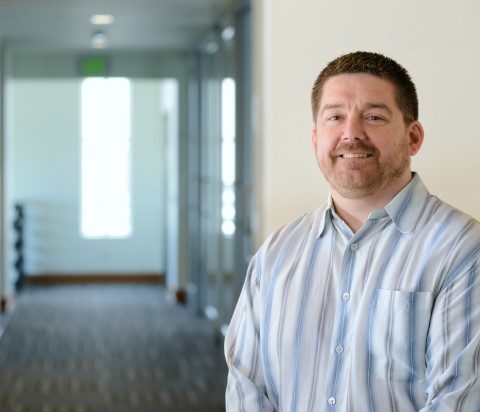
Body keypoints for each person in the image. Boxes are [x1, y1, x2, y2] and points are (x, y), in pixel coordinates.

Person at [224, 51, 480, 411]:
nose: (351, 133)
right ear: (316, 139)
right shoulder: (277, 252)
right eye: (335, 117)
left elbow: (460, 400)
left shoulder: (463, 250)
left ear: (414, 137)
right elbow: (246, 386)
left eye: (374, 117)